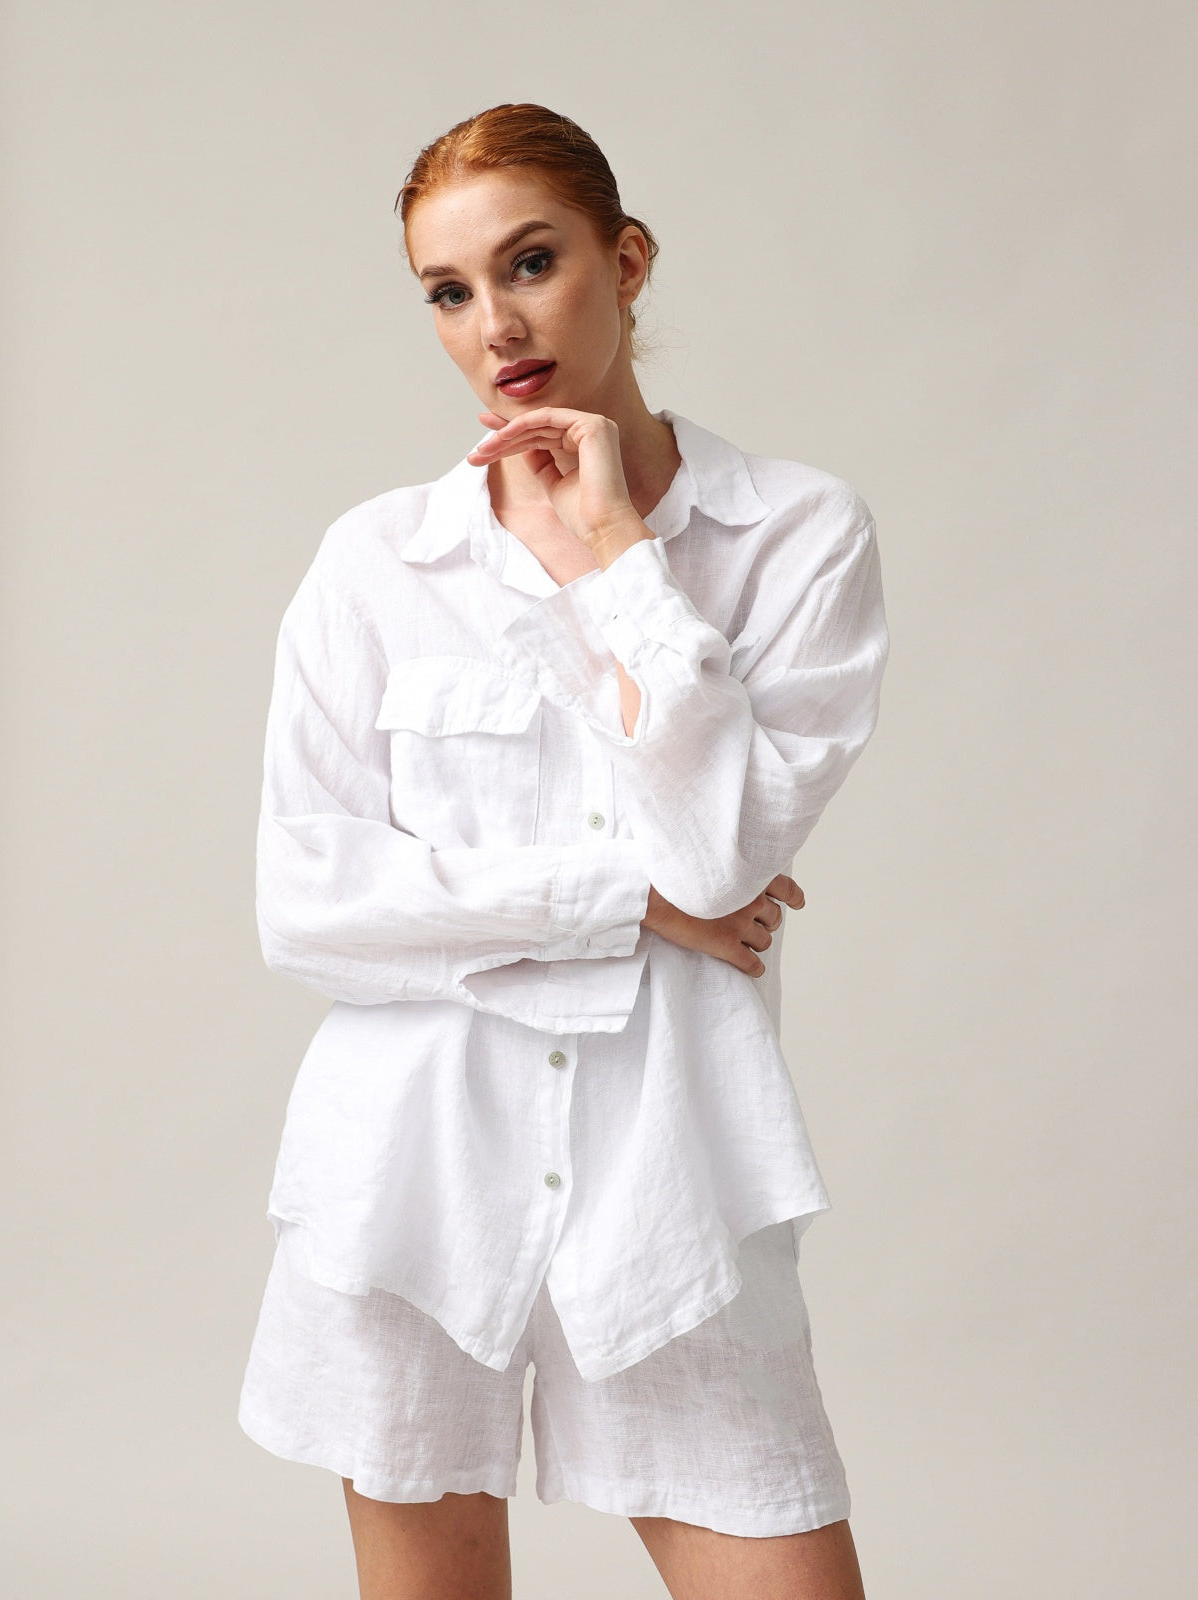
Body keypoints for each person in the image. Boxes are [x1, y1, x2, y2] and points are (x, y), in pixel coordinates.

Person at [238, 102, 889, 1600]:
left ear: (628, 258)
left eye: (531, 263)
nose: (495, 325)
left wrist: (617, 565)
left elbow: (718, 860)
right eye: (448, 290)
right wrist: (627, 901)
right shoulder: (378, 564)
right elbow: (309, 903)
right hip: (413, 1179)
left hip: (672, 1187)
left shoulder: (796, 539)